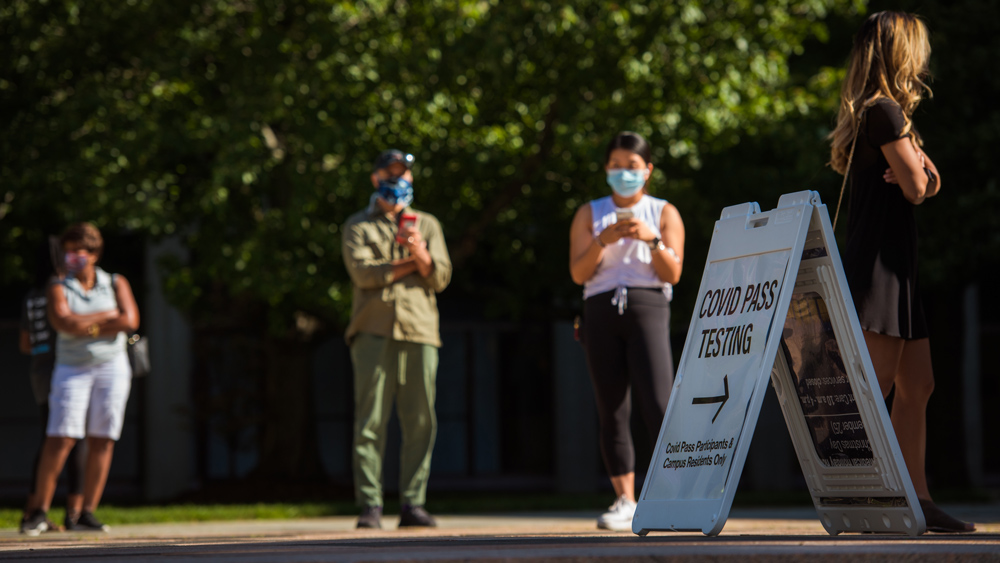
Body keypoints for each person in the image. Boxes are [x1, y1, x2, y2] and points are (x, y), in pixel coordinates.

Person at [829, 11, 973, 533]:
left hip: (897, 266)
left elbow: (923, 181)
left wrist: (922, 175)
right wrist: (922, 173)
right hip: (879, 265)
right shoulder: (885, 113)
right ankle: (870, 495)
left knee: (920, 384)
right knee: (879, 384)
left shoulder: (887, 116)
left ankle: (919, 499)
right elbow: (919, 186)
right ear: (902, 53)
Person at [569, 132, 685, 531]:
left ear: (648, 170)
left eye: (632, 166)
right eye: (616, 165)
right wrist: (604, 239)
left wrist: (649, 238)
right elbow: (578, 273)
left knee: (659, 401)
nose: (624, 173)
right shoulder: (590, 212)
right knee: (612, 408)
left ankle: (674, 494)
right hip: (600, 309)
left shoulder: (663, 211)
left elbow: (674, 273)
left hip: (648, 306)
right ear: (606, 170)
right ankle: (625, 500)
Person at [341, 149, 452, 529]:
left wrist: (418, 250)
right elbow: (364, 276)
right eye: (390, 174)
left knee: (421, 419)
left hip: (420, 330)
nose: (398, 180)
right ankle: (370, 505)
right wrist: (415, 262)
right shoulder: (357, 225)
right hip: (372, 330)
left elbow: (440, 278)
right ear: (375, 178)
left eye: (404, 174)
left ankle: (413, 504)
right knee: (370, 420)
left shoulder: (428, 225)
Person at [20, 223, 140, 535]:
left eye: (79, 251)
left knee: (103, 438)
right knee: (61, 437)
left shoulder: (114, 282)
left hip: (111, 366)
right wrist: (106, 319)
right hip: (71, 368)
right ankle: (38, 512)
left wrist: (85, 323)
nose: (72, 257)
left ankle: (85, 512)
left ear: (95, 254)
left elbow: (129, 319)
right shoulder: (58, 285)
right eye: (68, 251)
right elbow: (64, 322)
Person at [18, 242, 86, 535]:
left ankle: (32, 511)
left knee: (52, 438)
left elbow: (24, 344)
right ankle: (69, 513)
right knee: (68, 441)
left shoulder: (31, 296)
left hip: (40, 372)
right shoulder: (61, 292)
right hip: (65, 371)